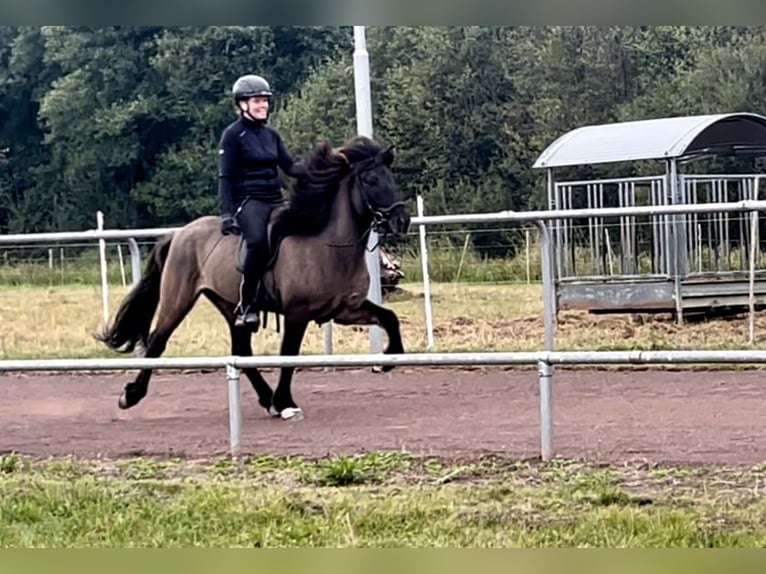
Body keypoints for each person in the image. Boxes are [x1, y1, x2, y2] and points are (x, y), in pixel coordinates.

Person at [217, 73, 305, 331]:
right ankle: (247, 304)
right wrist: (226, 213)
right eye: (257, 101)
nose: (263, 106)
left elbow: (289, 167)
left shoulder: (272, 135)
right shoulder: (232, 135)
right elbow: (226, 177)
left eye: (265, 101)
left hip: (275, 199)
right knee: (257, 243)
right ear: (242, 104)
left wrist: (320, 169)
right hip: (248, 201)